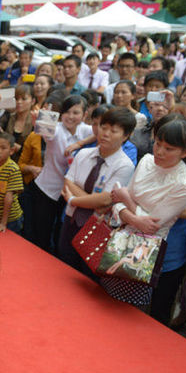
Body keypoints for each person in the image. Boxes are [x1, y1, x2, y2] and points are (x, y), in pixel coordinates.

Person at [99, 117, 186, 307]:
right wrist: (129, 211)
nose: (160, 151)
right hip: (118, 235)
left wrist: (126, 201)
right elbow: (118, 204)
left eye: (169, 149)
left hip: (143, 249)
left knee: (126, 308)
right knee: (102, 297)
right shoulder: (146, 160)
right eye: (158, 143)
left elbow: (152, 225)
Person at [58, 107, 138, 274]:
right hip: (71, 219)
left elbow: (105, 200)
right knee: (63, 268)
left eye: (113, 130)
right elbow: (67, 182)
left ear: (125, 136)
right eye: (103, 127)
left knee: (86, 276)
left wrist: (73, 199)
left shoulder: (125, 165)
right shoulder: (83, 154)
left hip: (97, 227)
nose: (105, 133)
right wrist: (92, 201)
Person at [23, 94, 92, 252]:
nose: (70, 116)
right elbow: (44, 132)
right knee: (42, 231)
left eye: (76, 113)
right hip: (47, 188)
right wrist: (40, 120)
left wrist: (80, 143)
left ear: (85, 115)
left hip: (71, 191)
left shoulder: (86, 130)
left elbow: (98, 132)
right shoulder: (56, 128)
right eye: (67, 112)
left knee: (62, 232)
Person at [0, 132, 25, 233]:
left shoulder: (13, 169)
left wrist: (3, 223)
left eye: (3, 148)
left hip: (10, 219)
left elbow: (9, 198)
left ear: (11, 151)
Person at [0, 84, 35, 162]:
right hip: (4, 161)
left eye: (24, 99)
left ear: (33, 101)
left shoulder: (34, 122)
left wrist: (19, 148)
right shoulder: (8, 117)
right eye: (16, 98)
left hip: (24, 163)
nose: (19, 102)